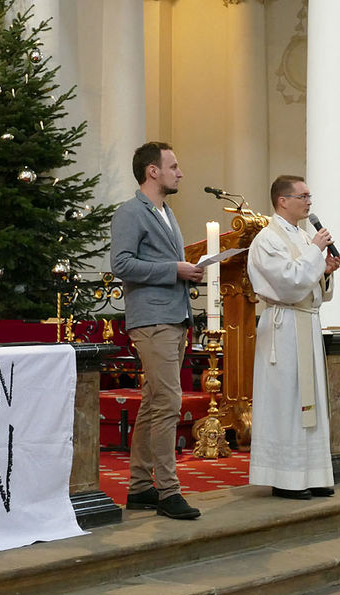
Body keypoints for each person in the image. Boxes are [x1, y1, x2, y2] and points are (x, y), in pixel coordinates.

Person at [110, 142, 205, 520]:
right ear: (153, 171)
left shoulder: (166, 213)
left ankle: (139, 488)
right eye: (174, 166)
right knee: (168, 402)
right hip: (151, 318)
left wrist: (186, 271)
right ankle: (168, 490)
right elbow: (120, 263)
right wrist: (174, 270)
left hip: (173, 315)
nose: (180, 172)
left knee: (154, 403)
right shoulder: (130, 212)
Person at [247, 175, 340, 500]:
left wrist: (325, 271)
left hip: (306, 324)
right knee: (287, 401)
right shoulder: (267, 239)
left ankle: (312, 474)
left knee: (310, 401)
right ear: (282, 200)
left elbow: (312, 287)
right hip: (284, 327)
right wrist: (316, 253)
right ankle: (285, 478)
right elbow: (288, 283)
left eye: (309, 195)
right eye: (302, 196)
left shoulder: (302, 237)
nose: (309, 201)